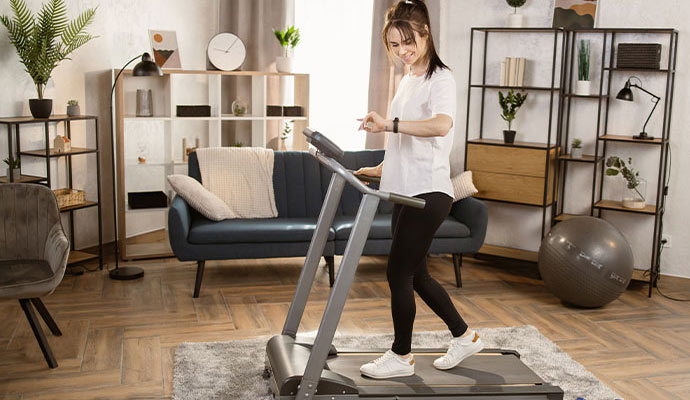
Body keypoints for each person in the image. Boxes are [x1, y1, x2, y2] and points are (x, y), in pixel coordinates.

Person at [355, 0, 483, 379]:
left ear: (426, 34)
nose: (402, 51)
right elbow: (407, 141)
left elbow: (441, 126)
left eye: (407, 42)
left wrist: (388, 125)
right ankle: (464, 336)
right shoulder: (408, 78)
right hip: (404, 189)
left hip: (428, 193)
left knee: (398, 274)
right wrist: (380, 167)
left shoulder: (441, 78)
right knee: (418, 274)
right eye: (394, 45)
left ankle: (401, 356)